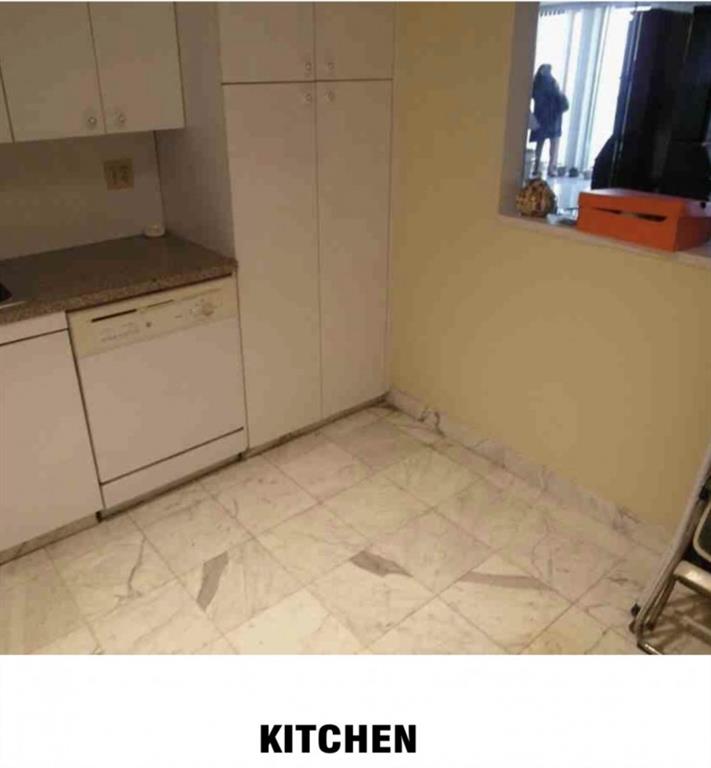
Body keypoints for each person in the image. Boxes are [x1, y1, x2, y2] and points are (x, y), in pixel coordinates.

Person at [530, 64, 569, 177]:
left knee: (540, 143)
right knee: (553, 144)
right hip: (553, 118)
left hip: (541, 117)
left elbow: (534, 96)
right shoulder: (553, 83)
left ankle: (536, 167)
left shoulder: (537, 83)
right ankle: (551, 168)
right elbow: (561, 100)